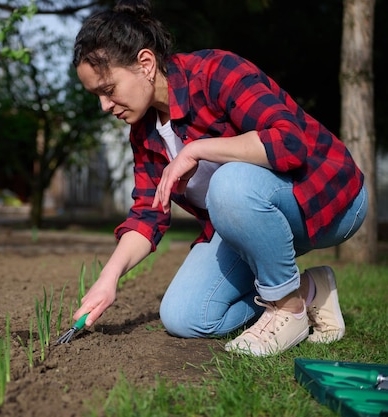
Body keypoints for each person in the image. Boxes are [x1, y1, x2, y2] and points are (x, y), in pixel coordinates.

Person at [71, 0, 368, 356]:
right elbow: (148, 215)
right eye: (97, 96)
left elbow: (289, 142)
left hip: (330, 200)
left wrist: (198, 150)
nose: (105, 106)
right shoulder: (143, 132)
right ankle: (307, 290)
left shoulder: (215, 72)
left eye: (108, 89)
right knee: (184, 316)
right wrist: (109, 278)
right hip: (251, 217)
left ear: (145, 64)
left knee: (228, 185)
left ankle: (287, 310)